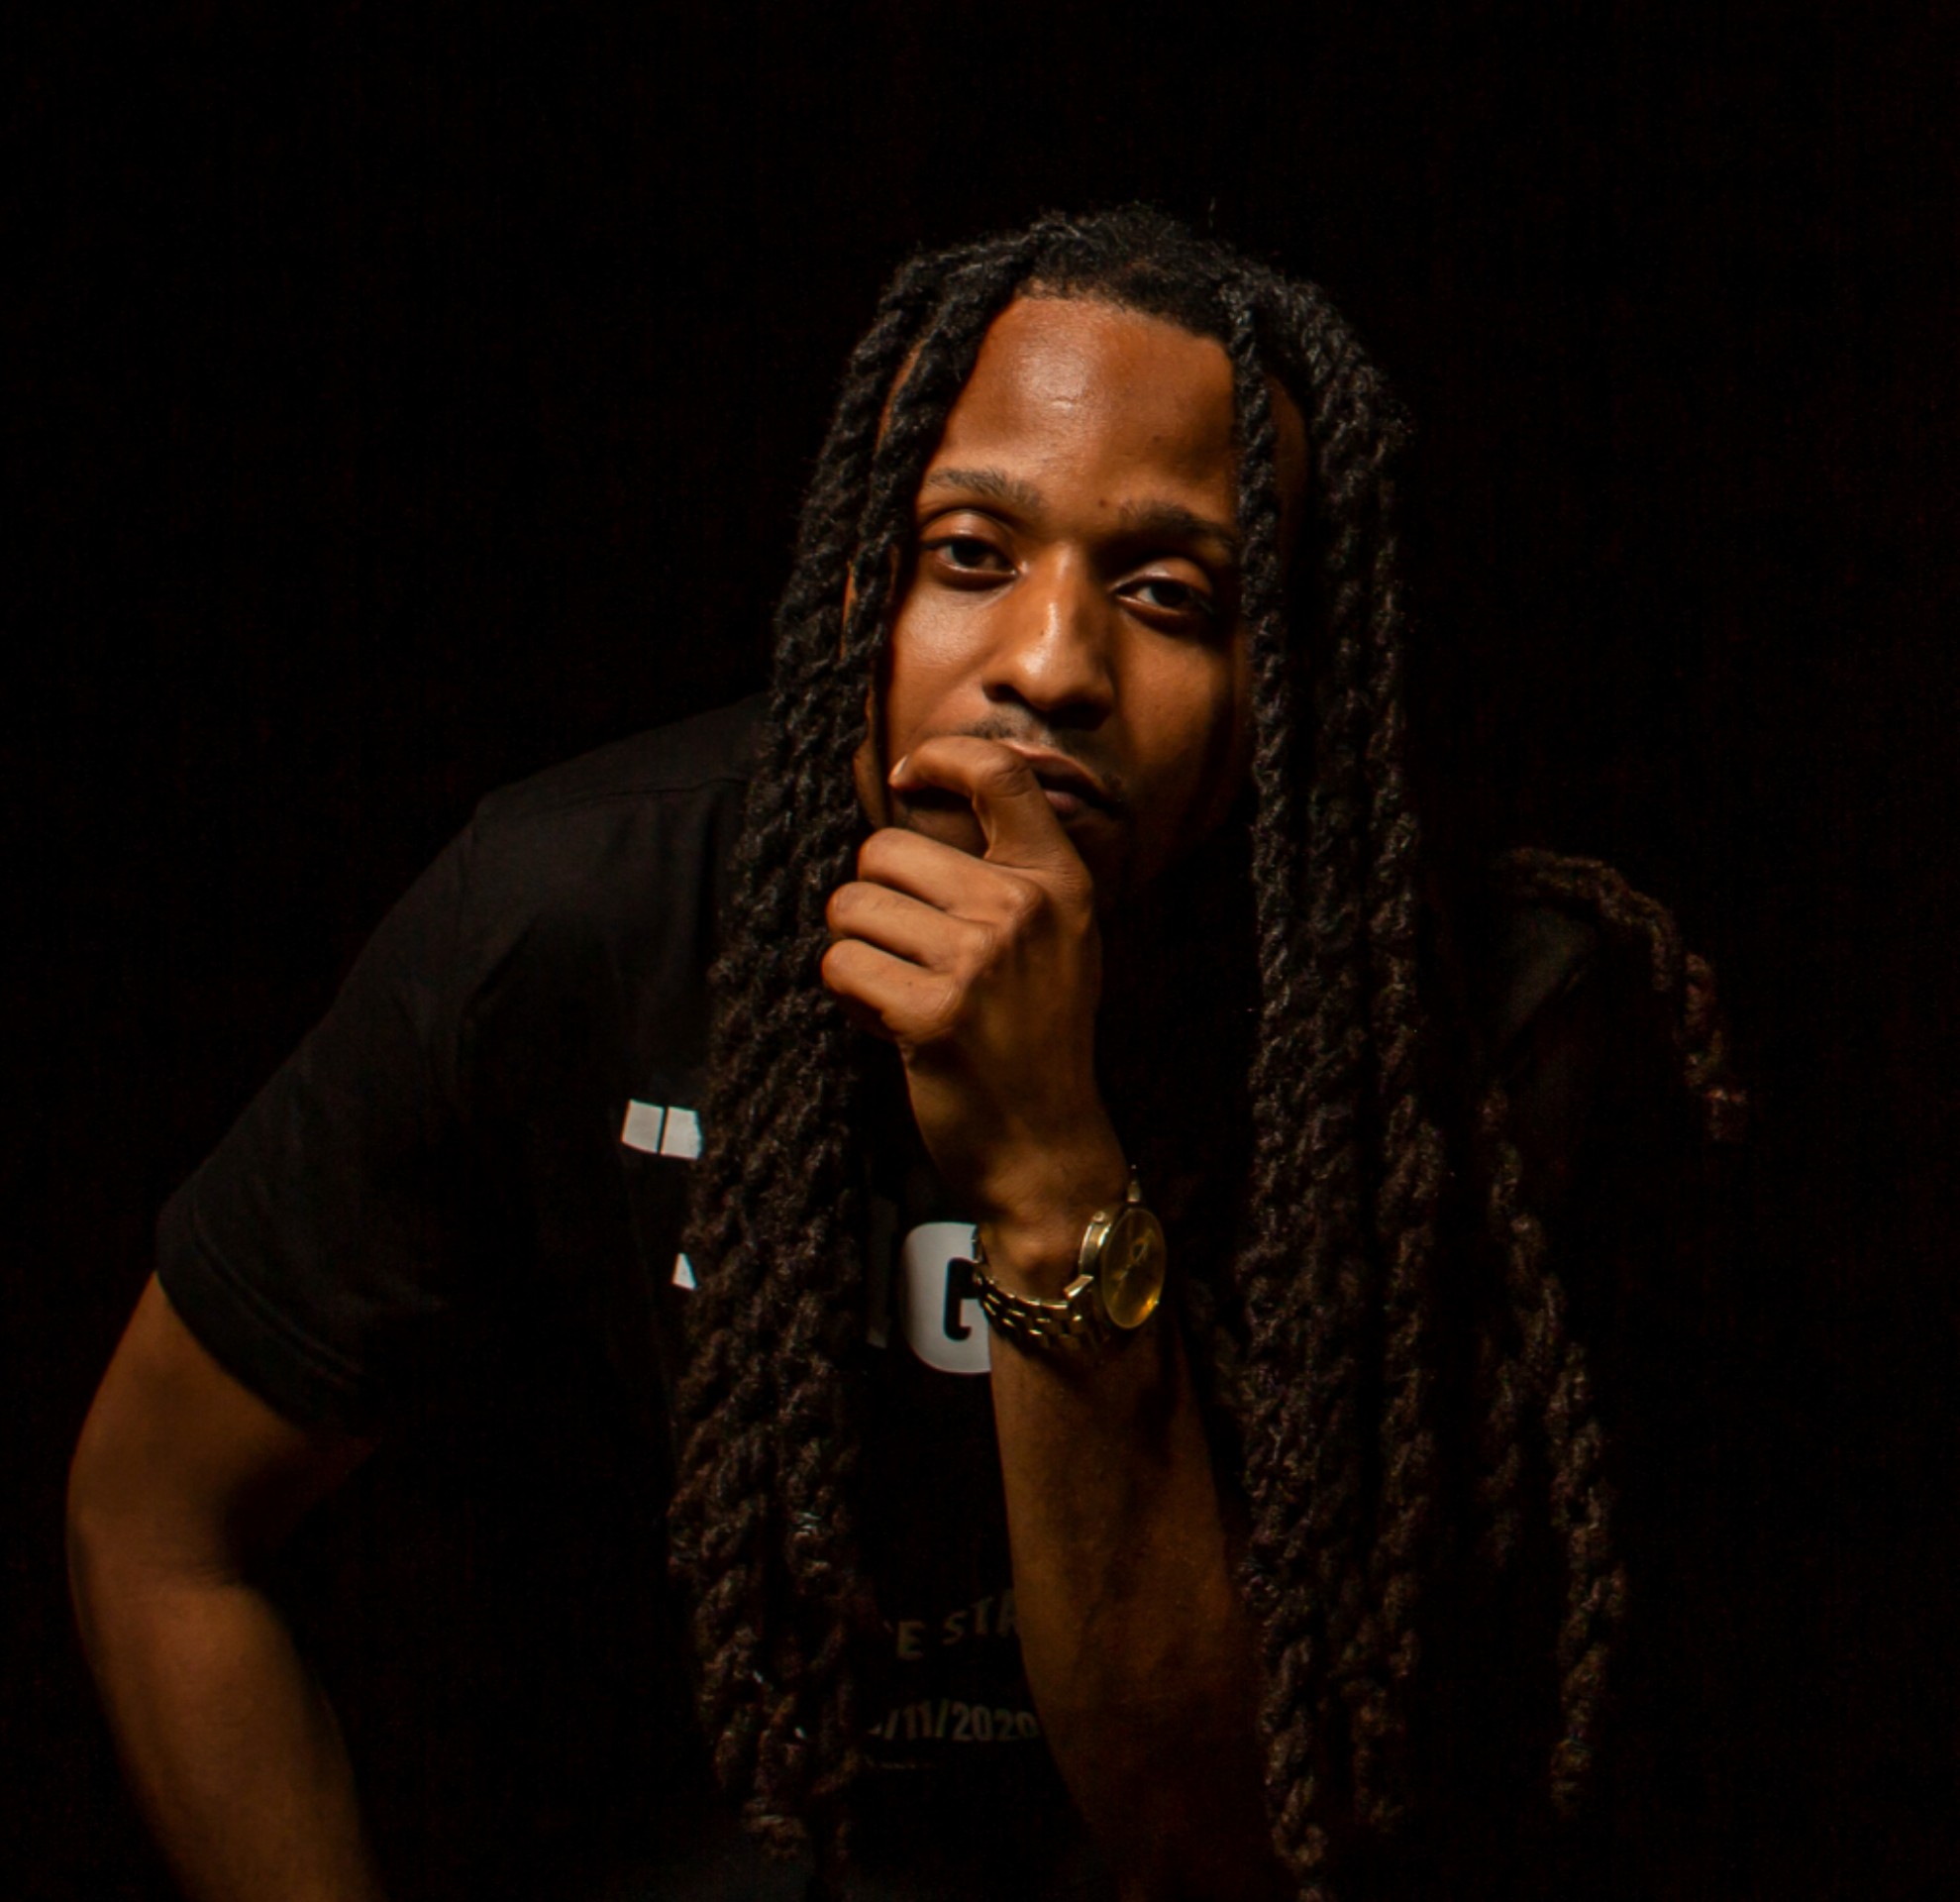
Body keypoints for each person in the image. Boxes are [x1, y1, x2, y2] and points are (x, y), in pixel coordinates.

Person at [66, 207, 1741, 1901]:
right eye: (969, 555)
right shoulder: (576, 915)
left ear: (1279, 688)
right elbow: (157, 1528)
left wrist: (1044, 1169)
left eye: (1169, 596)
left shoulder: (1473, 1040)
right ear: (860, 585)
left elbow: (1222, 1859)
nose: (1048, 664)